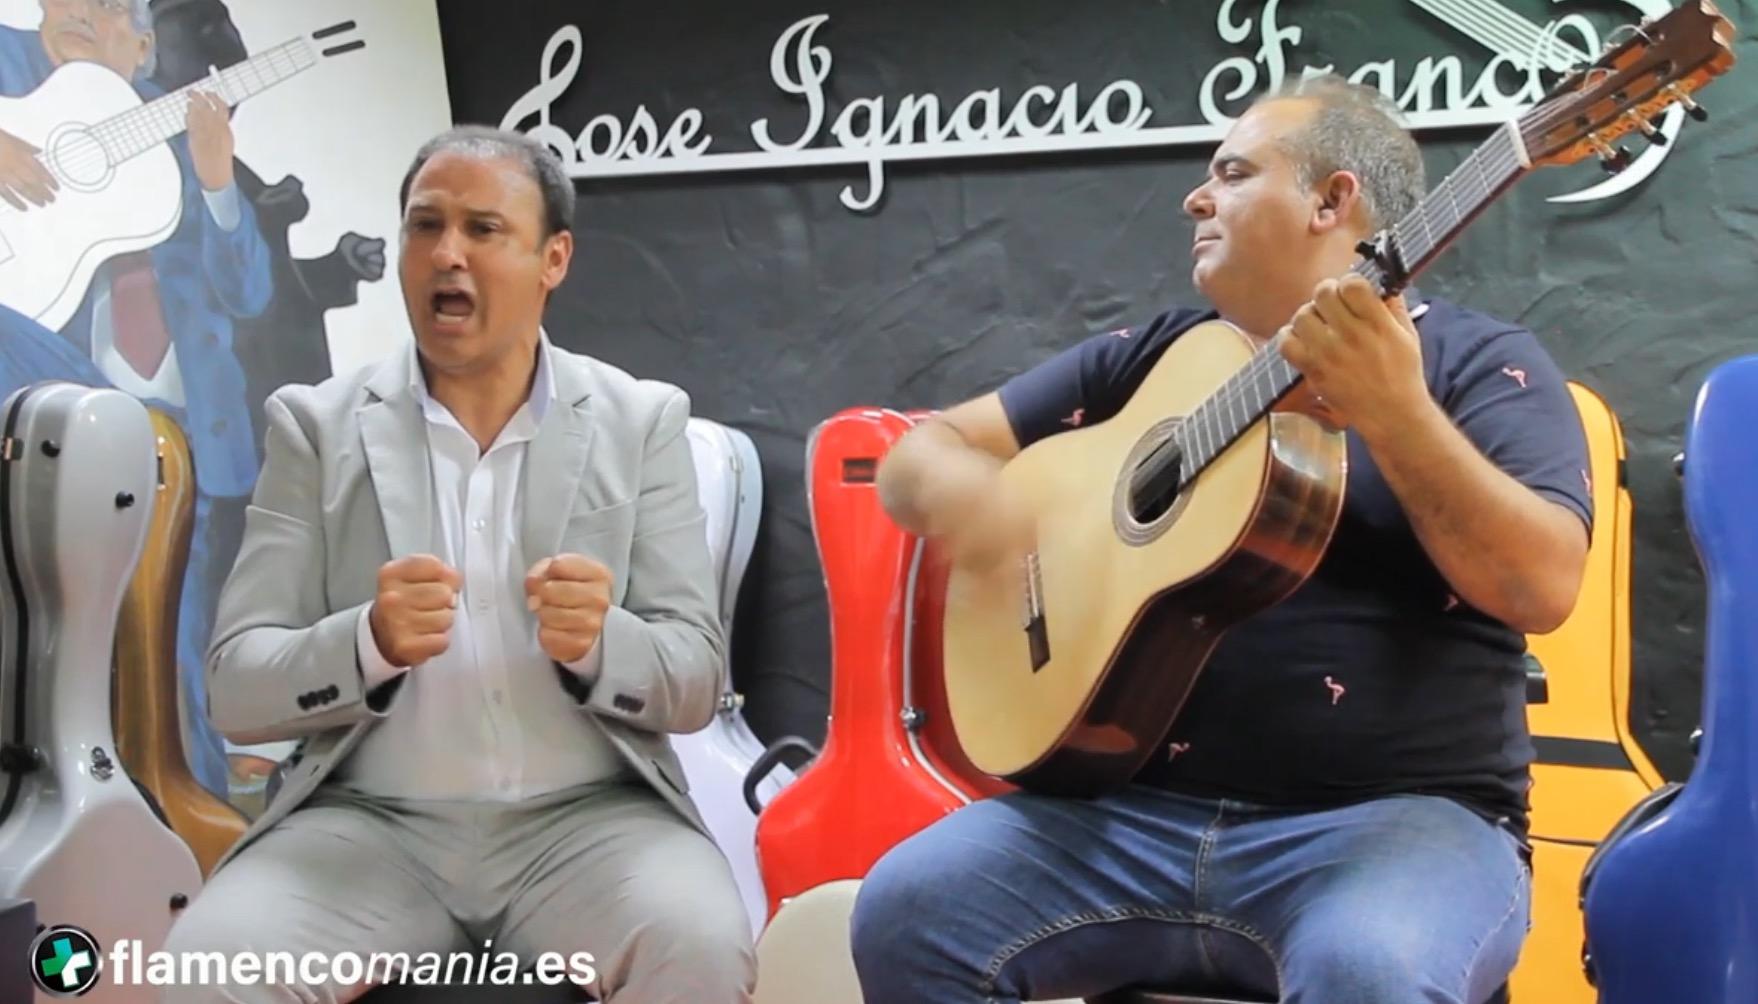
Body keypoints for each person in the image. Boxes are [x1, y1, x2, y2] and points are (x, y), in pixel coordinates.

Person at [850, 75, 1593, 1004]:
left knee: (1368, 969)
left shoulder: (1485, 364)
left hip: (1394, 826)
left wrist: (1397, 414)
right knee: (910, 911)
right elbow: (918, 453)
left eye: (1232, 172)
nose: (1194, 198)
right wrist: (976, 503)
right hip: (1124, 816)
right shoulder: (1152, 356)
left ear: (1333, 202)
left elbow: (1543, 588)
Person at [159, 125, 756, 1003]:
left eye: (483, 229)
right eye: (424, 226)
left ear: (553, 258)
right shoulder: (313, 427)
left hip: (591, 827)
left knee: (700, 944)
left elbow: (695, 679)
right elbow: (236, 692)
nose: (447, 254)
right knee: (208, 969)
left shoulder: (642, 421)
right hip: (366, 829)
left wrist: (603, 641)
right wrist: (365, 642)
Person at [0, 0, 273, 801]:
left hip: (166, 444)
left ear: (146, 49)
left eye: (113, 6)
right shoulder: (14, 82)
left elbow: (249, 290)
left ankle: (194, 822)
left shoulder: (182, 159)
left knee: (170, 650)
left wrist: (219, 179)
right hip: (39, 413)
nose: (84, 11)